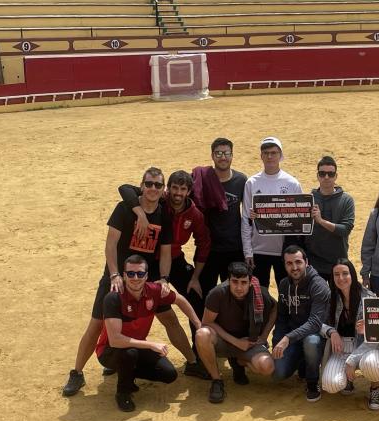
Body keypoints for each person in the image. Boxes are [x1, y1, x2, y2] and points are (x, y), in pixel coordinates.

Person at [62, 168, 204, 397]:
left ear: (163, 190)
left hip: (143, 279)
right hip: (117, 277)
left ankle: (193, 361)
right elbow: (110, 245)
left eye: (158, 186)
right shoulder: (124, 208)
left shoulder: (163, 215)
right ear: (142, 185)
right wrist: (114, 275)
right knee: (97, 324)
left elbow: (166, 253)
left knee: (169, 318)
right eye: (149, 184)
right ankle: (77, 373)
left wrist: (165, 279)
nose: (153, 189)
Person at [117, 170, 211, 379]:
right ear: (168, 189)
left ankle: (199, 353)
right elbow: (125, 188)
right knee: (138, 311)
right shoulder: (158, 198)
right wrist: (140, 213)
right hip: (149, 263)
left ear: (188, 191)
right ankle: (115, 355)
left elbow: (204, 242)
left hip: (173, 261)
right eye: (174, 188)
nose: (178, 193)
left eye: (183, 189)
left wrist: (195, 277)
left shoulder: (194, 214)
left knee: (195, 299)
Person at [97, 255, 202, 412]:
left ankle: (128, 373)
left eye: (140, 274)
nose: (135, 278)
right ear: (124, 275)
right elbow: (115, 340)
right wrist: (151, 344)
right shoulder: (114, 298)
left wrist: (198, 325)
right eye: (130, 274)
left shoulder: (154, 291)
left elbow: (180, 300)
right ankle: (123, 392)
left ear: (146, 276)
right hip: (109, 352)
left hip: (136, 345)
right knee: (129, 354)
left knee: (169, 374)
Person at [196, 262, 277, 403]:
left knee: (266, 367)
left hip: (249, 342)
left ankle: (238, 361)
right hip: (224, 340)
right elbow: (207, 322)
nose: (239, 287)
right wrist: (237, 342)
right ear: (228, 280)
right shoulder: (217, 293)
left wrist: (263, 337)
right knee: (202, 334)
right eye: (235, 282)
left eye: (244, 282)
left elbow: (276, 308)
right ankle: (216, 380)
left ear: (250, 282)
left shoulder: (260, 293)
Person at [320, 258, 379, 410]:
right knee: (331, 384)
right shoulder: (330, 297)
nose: (341, 278)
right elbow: (318, 323)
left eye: (345, 273)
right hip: (341, 347)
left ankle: (375, 388)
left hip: (366, 346)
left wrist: (352, 360)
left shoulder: (368, 297)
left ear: (352, 275)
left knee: (372, 366)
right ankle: (347, 379)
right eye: (336, 274)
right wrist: (332, 331)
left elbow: (377, 335)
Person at [191, 138, 248, 299]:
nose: (223, 157)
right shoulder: (201, 178)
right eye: (219, 153)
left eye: (226, 153)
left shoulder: (242, 180)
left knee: (235, 295)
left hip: (234, 248)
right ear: (212, 155)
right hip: (208, 248)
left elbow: (249, 213)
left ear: (232, 155)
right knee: (202, 294)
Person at [242, 137, 302, 288]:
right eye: (266, 153)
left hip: (284, 251)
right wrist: (248, 252)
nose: (270, 156)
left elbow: (300, 218)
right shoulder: (252, 183)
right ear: (261, 155)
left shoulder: (292, 183)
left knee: (288, 293)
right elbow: (246, 219)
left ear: (280, 155)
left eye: (274, 153)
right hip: (258, 250)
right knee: (259, 295)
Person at [271, 245, 330, 402]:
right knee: (279, 372)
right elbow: (282, 317)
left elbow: (315, 323)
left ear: (306, 262)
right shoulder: (284, 284)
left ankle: (312, 381)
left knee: (311, 342)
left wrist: (287, 339)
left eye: (298, 262)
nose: (294, 267)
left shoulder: (318, 285)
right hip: (293, 337)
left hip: (316, 335)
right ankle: (303, 361)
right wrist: (277, 341)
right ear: (284, 265)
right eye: (289, 263)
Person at [304, 157, 355, 281]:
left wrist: (321, 221)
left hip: (338, 263)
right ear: (317, 176)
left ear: (336, 176)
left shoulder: (347, 200)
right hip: (313, 264)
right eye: (322, 174)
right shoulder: (307, 200)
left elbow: (345, 230)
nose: (326, 177)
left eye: (330, 174)